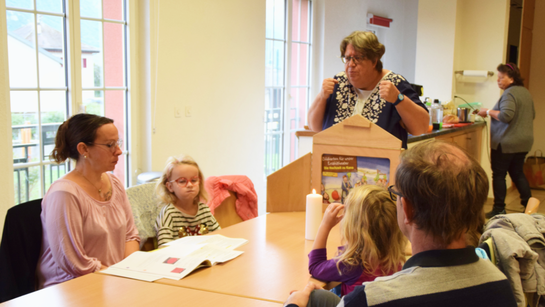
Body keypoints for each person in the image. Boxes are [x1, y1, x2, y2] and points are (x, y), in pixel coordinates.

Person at [284, 140, 517, 307]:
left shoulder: (370, 298)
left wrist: (294, 305)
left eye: (396, 194)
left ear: (407, 209)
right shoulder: (501, 285)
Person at [37, 114, 140, 288]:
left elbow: (130, 236)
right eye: (110, 145)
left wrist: (128, 272)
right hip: (72, 287)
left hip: (113, 281)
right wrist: (119, 279)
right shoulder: (64, 193)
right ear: (84, 149)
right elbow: (75, 263)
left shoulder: (114, 183)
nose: (119, 151)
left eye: (117, 143)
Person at [307, 31, 429, 148]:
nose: (351, 64)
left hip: (381, 166)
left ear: (374, 61)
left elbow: (421, 128)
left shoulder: (395, 83)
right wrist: (322, 96)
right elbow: (314, 126)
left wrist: (398, 99)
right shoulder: (339, 82)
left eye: (357, 58)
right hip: (338, 164)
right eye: (347, 58)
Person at [308, 185, 405, 297]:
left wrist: (325, 225)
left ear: (353, 228)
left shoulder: (352, 264)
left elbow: (315, 266)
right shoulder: (395, 260)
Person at [477, 63, 535, 219]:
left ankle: (499, 209)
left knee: (499, 175)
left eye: (502, 77)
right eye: (498, 77)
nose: (498, 80)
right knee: (517, 173)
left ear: (511, 78)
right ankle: (529, 206)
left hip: (507, 142)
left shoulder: (509, 94)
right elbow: (532, 115)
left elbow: (505, 116)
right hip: (523, 142)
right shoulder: (525, 92)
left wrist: (487, 111)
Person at [155, 155, 220, 247]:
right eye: (182, 181)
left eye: (194, 180)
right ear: (170, 187)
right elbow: (164, 247)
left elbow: (219, 236)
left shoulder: (204, 210)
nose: (189, 185)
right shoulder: (169, 214)